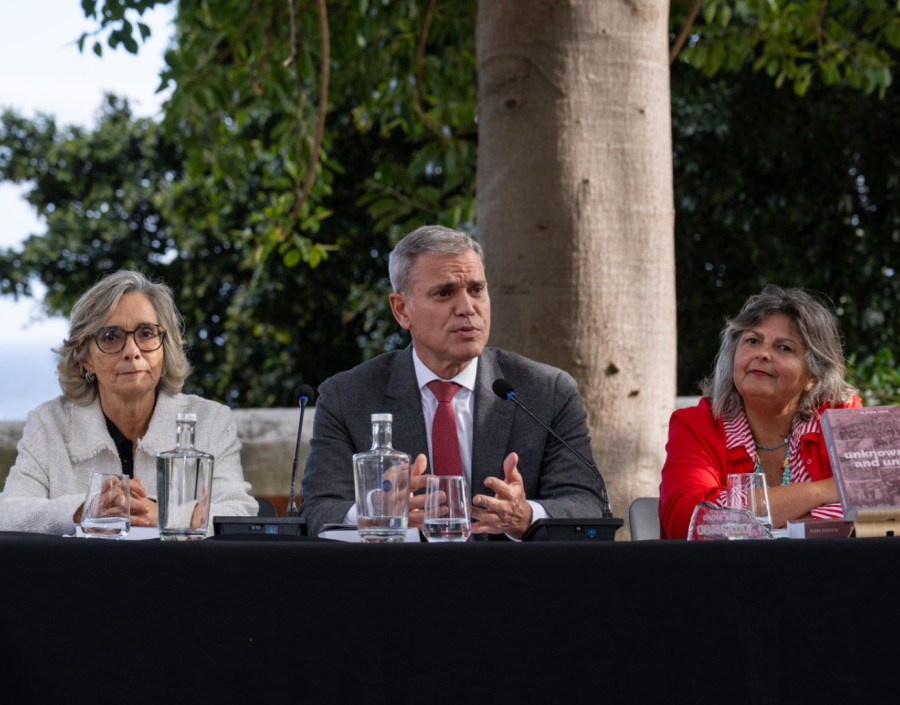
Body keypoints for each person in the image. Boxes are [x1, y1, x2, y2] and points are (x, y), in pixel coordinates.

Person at [298, 225, 610, 540]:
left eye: (476, 289)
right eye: (445, 293)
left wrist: (527, 517)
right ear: (402, 309)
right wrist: (377, 512)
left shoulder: (546, 391)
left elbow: (586, 503)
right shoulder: (348, 396)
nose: (467, 308)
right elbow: (316, 510)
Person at [0, 270, 257, 535]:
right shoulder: (50, 422)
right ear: (84, 357)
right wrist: (84, 509)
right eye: (111, 337)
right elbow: (7, 514)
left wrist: (166, 514)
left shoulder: (210, 420)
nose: (132, 351)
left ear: (164, 347)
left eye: (146, 333)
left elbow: (240, 512)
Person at [659, 285, 861, 539]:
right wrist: (825, 491)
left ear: (813, 375)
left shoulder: (841, 417)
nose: (762, 354)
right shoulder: (696, 425)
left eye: (784, 348)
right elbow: (689, 521)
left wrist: (737, 517)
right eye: (752, 341)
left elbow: (873, 510)